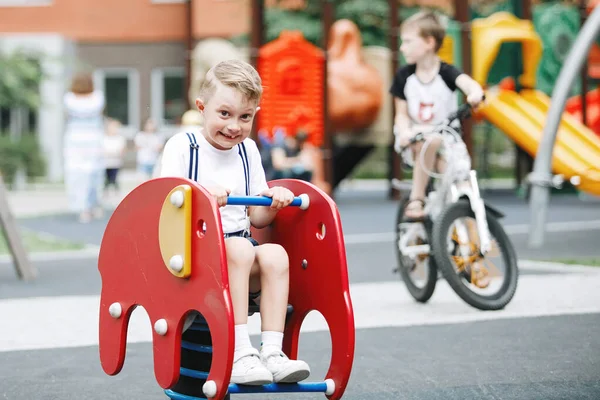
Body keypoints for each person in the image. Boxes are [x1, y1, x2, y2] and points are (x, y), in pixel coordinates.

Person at [159, 59, 311, 386]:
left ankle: (271, 352)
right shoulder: (183, 147)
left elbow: (256, 215)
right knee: (241, 248)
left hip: (237, 253)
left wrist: (273, 200)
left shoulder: (248, 151)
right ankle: (241, 352)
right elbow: (165, 202)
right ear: (202, 107)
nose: (234, 126)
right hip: (192, 259)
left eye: (245, 117)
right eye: (224, 114)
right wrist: (200, 195)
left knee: (274, 254)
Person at [390, 11, 485, 220]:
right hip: (414, 136)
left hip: (446, 137)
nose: (402, 47)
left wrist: (475, 93)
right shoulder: (404, 76)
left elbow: (467, 84)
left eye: (407, 42)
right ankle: (417, 198)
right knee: (430, 142)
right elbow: (401, 114)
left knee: (457, 175)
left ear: (429, 43)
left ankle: (457, 229)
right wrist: (405, 131)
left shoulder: (446, 72)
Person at [63, 72, 106, 223]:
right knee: (93, 173)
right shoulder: (98, 98)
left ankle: (82, 207)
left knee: (77, 175)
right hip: (93, 138)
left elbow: (66, 116)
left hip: (74, 139)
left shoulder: (69, 99)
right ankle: (93, 205)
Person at [103, 118, 126, 199]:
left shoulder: (119, 138)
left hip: (116, 163)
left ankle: (116, 194)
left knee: (114, 179)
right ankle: (105, 194)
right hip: (106, 163)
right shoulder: (104, 138)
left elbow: (121, 150)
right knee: (106, 180)